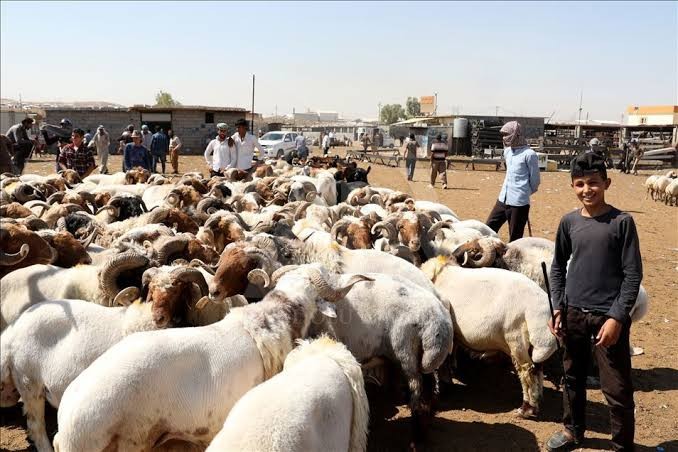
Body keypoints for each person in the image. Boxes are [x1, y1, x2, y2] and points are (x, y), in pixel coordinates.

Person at [546, 152, 641, 452]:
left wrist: (617, 317)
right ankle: (573, 431)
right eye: (580, 184)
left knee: (616, 387)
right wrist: (558, 305)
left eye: (594, 183)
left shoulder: (622, 222)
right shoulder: (569, 222)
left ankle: (622, 445)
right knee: (571, 376)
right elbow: (558, 266)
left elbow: (633, 274)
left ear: (607, 183)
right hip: (572, 314)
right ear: (573, 186)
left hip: (607, 319)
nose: (587, 189)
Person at [485, 121, 540, 242]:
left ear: (516, 134)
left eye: (507, 134)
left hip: (519, 204)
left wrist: (523, 193)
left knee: (515, 238)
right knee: (488, 229)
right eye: (503, 135)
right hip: (502, 199)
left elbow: (535, 181)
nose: (504, 138)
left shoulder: (529, 155)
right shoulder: (508, 152)